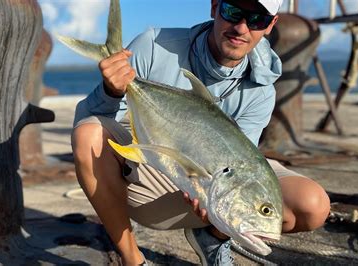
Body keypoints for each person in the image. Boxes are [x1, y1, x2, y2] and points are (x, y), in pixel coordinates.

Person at [71, 0, 330, 265]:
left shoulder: (262, 90)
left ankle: (213, 235)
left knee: (312, 205)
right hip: (149, 170)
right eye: (233, 12)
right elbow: (90, 119)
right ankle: (132, 259)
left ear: (270, 25)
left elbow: (242, 162)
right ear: (215, 7)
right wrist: (112, 90)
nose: (241, 28)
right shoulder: (153, 45)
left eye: (257, 20)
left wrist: (215, 205)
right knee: (88, 135)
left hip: (210, 183)